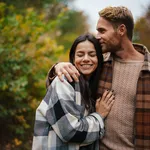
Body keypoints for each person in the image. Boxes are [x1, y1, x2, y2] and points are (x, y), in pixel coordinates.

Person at [47, 6, 150, 149]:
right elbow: (69, 84)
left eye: (102, 30)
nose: (97, 36)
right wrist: (57, 67)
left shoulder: (147, 69)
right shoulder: (100, 64)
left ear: (121, 30)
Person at [32, 34, 115, 150]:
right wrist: (99, 116)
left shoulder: (91, 86)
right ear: (73, 58)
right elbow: (70, 132)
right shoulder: (64, 81)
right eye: (80, 54)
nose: (86, 58)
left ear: (99, 59)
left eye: (92, 54)